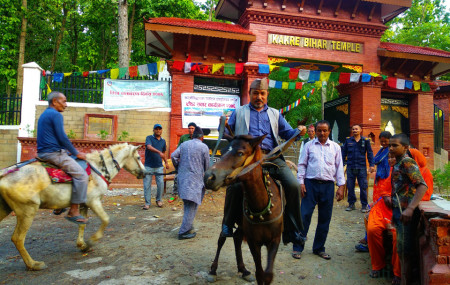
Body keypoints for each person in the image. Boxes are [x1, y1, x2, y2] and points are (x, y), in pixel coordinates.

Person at [220, 77, 306, 245]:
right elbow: (226, 134)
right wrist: (222, 126)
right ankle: (227, 224)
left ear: (267, 95)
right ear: (249, 94)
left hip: (272, 157)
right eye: (255, 93)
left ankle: (291, 229)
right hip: (248, 159)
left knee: (294, 186)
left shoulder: (275, 113)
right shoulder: (239, 112)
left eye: (262, 94)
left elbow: (287, 133)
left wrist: (298, 131)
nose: (259, 97)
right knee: (234, 185)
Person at [294, 120, 345, 260]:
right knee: (304, 216)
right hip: (310, 184)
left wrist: (341, 186)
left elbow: (339, 168)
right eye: (319, 130)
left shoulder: (336, 147)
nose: (322, 133)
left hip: (328, 186)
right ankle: (298, 247)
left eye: (325, 130)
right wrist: (301, 183)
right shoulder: (308, 146)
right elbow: (302, 164)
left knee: (325, 218)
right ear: (315, 131)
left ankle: (318, 248)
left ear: (329, 131)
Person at [37, 91, 89, 224]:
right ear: (55, 101)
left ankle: (60, 206)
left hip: (45, 152)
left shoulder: (45, 114)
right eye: (64, 101)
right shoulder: (55, 114)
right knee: (82, 176)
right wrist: (76, 152)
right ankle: (73, 211)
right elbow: (62, 137)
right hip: (53, 154)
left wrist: (66, 151)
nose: (65, 105)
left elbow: (54, 138)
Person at [389, 134, 428, 285]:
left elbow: (422, 186)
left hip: (407, 213)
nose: (391, 148)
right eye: (390, 145)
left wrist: (411, 208)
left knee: (405, 251)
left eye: (394, 145)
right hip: (399, 211)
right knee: (402, 250)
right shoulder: (397, 163)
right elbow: (399, 190)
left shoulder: (407, 162)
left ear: (405, 147)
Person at [171, 126, 210, 240]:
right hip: (195, 181)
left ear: (193, 136)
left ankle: (188, 225)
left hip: (182, 180)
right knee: (191, 206)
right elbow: (207, 166)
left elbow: (173, 155)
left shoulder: (184, 144)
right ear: (202, 137)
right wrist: (207, 179)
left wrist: (177, 165)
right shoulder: (204, 147)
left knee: (188, 205)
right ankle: (183, 232)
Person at [342, 124, 375, 212]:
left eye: (356, 129)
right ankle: (351, 204)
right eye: (353, 129)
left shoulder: (365, 140)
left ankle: (364, 205)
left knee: (363, 186)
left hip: (361, 168)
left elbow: (370, 153)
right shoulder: (348, 140)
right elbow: (343, 153)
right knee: (350, 186)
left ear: (360, 130)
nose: (354, 130)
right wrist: (341, 164)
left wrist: (372, 165)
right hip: (350, 167)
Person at [169, 122, 198, 203]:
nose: (191, 130)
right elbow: (179, 149)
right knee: (177, 178)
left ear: (195, 129)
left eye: (192, 128)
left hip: (193, 163)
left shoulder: (198, 138)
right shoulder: (183, 137)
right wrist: (178, 159)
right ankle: (174, 195)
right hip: (183, 162)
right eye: (189, 128)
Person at [143, 124, 169, 210]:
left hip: (159, 166)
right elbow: (149, 147)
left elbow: (164, 152)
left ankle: (159, 200)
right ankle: (147, 203)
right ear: (153, 130)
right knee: (147, 184)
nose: (158, 130)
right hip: (148, 166)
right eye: (156, 129)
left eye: (159, 129)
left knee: (161, 183)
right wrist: (159, 152)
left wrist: (166, 162)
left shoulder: (163, 141)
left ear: (161, 131)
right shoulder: (149, 138)